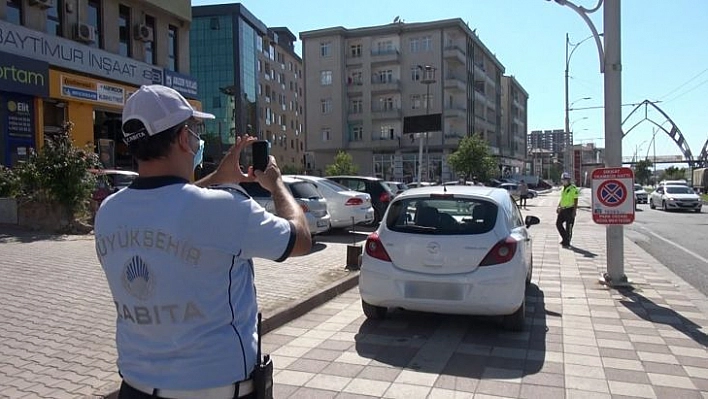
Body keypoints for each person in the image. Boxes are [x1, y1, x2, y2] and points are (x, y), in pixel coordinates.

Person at [94, 85, 311, 399]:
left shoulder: (109, 212)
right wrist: (276, 184)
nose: (197, 139)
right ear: (183, 139)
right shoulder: (224, 208)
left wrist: (217, 178)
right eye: (194, 130)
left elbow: (167, 202)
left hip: (135, 389)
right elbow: (300, 239)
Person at [556, 172, 579, 248]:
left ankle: (567, 241)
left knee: (569, 227)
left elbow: (576, 200)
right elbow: (562, 199)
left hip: (570, 209)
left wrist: (574, 211)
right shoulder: (563, 188)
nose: (563, 181)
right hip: (563, 209)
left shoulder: (573, 188)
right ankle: (564, 238)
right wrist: (558, 207)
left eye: (565, 179)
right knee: (558, 224)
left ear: (568, 180)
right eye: (562, 179)